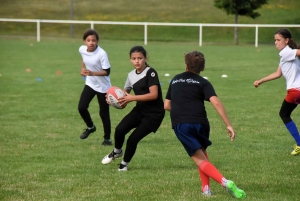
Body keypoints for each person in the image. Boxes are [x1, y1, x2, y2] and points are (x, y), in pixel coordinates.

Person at [164, 51, 246, 198]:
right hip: (201, 123)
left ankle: (225, 182)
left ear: (186, 66)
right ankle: (206, 189)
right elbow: (215, 101)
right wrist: (228, 124)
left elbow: (167, 105)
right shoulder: (204, 82)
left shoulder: (175, 80)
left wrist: (181, 110)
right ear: (203, 68)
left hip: (182, 124)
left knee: (199, 159)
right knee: (202, 152)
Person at [101, 46, 165, 171]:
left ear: (145, 58)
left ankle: (124, 164)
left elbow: (154, 95)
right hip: (140, 110)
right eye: (134, 58)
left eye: (140, 58)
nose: (137, 61)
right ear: (130, 60)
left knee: (132, 139)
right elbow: (125, 95)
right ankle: (117, 151)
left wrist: (132, 98)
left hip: (154, 114)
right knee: (120, 129)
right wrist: (113, 100)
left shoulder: (150, 72)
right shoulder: (131, 75)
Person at [254, 28, 300, 156]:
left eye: (278, 40)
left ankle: (299, 144)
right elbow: (278, 73)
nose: (276, 42)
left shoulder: (286, 52)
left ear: (287, 40)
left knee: (284, 114)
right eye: (275, 40)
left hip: (295, 91)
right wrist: (261, 80)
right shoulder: (285, 55)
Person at [78, 29, 112, 146]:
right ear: (84, 41)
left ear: (97, 41)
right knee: (81, 107)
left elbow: (107, 71)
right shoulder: (82, 49)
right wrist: (82, 69)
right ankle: (90, 127)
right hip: (91, 83)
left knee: (103, 113)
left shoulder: (102, 53)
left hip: (103, 87)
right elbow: (84, 58)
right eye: (88, 40)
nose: (91, 42)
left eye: (93, 40)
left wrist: (92, 73)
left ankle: (107, 139)